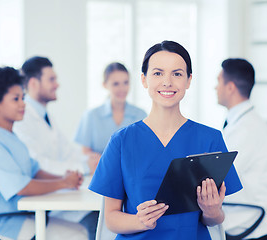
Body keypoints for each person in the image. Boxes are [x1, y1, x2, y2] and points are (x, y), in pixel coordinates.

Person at [89, 40, 242, 240]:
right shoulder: (122, 141)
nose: (167, 82)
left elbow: (214, 219)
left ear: (188, 81)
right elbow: (110, 218)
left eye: (177, 74)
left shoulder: (210, 139)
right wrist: (139, 221)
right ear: (144, 80)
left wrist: (212, 211)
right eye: (158, 73)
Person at [0, 65, 87, 240]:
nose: (23, 104)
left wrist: (64, 179)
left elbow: (35, 171)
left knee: (79, 230)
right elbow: (22, 187)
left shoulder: (10, 136)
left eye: (23, 97)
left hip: (16, 216)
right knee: (77, 235)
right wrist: (63, 183)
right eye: (16, 99)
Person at [13, 56, 98, 240]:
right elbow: (38, 164)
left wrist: (89, 160)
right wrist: (84, 167)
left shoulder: (45, 115)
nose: (57, 84)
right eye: (51, 79)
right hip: (42, 203)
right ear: (34, 83)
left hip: (57, 196)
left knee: (100, 217)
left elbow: (66, 151)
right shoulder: (22, 118)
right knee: (96, 221)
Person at [215, 58, 267, 239]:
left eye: (218, 81)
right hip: (248, 217)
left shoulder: (246, 129)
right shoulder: (245, 122)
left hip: (254, 226)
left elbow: (218, 177)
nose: (215, 88)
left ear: (230, 87)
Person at [74, 62, 146, 173]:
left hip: (132, 175)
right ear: (105, 85)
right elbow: (85, 153)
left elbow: (145, 151)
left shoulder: (140, 115)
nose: (122, 89)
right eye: (116, 84)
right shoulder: (91, 116)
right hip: (100, 176)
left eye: (125, 83)